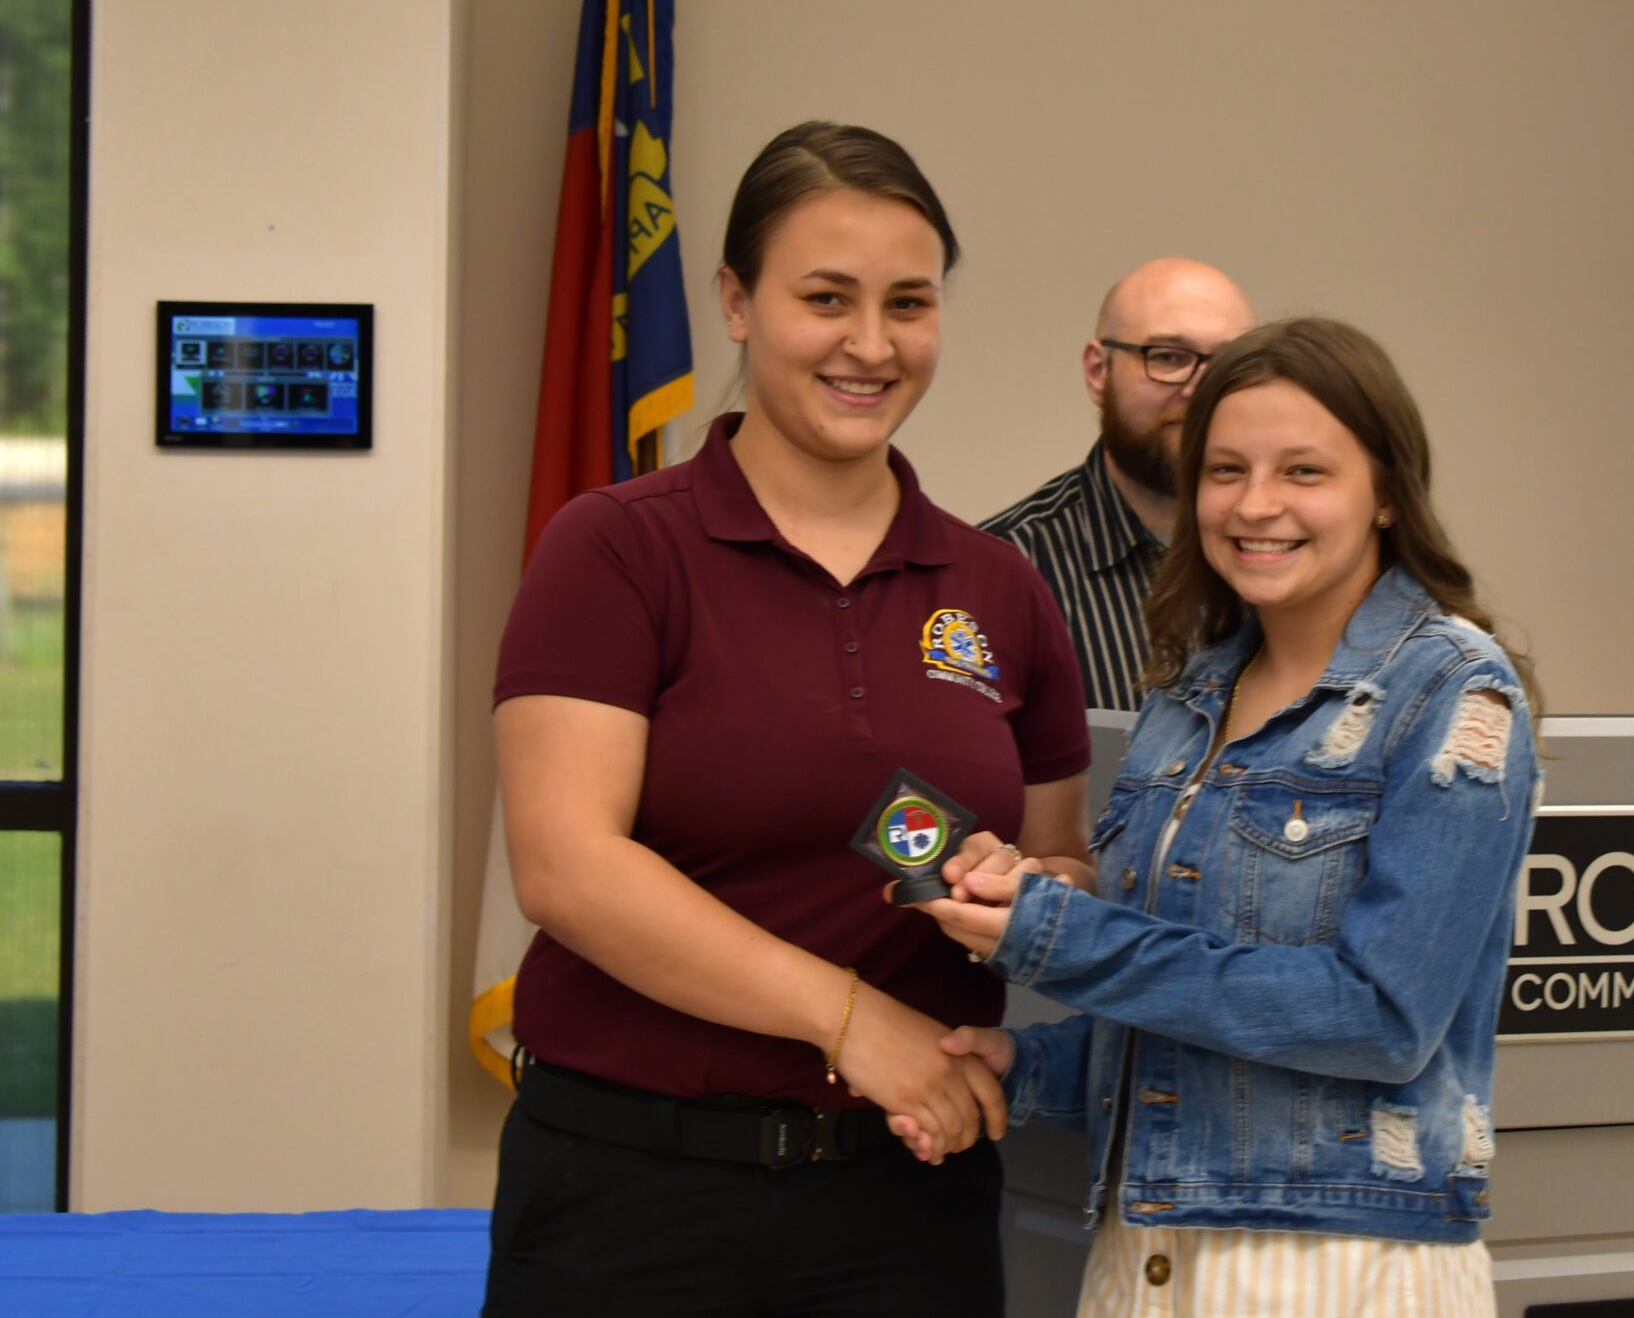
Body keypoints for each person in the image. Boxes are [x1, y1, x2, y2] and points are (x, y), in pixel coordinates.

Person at [484, 122, 1097, 1316]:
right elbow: (564, 868)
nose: (871, 344)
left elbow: (1062, 855)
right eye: (826, 298)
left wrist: (1022, 890)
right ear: (735, 302)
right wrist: (853, 1023)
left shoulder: (999, 585)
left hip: (905, 1203)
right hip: (630, 1194)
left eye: (908, 303)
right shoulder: (617, 549)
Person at [916, 317, 1539, 1316]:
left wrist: (1060, 936)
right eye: (1225, 470)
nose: (1255, 504)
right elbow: (1191, 1003)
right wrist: (1026, 1067)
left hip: (1340, 1268)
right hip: (1144, 1254)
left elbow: (1382, 1020)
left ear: (1386, 491)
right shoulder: (1188, 694)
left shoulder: (1454, 688)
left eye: (1303, 471)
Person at [982, 257, 1255, 711]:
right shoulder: (1000, 574)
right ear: (1098, 371)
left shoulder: (1288, 554)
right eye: (1168, 357)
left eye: (1227, 364)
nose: (1201, 389)